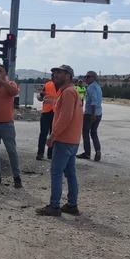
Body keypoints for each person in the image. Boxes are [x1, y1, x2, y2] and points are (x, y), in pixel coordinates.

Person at [36, 65, 83, 217]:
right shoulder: (69, 92)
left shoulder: (68, 92)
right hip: (72, 140)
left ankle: (54, 206)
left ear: (68, 76)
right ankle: (71, 205)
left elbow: (65, 117)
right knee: (70, 173)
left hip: (64, 140)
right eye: (54, 72)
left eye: (59, 72)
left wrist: (53, 135)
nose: (54, 75)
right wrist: (54, 100)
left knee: (56, 172)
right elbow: (64, 112)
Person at [78, 70, 103, 162]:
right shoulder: (98, 87)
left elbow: (93, 102)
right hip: (99, 113)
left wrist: (92, 114)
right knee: (93, 133)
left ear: (93, 77)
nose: (86, 78)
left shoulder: (91, 87)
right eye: (85, 76)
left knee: (85, 133)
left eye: (88, 77)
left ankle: (87, 153)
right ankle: (98, 150)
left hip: (90, 114)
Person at [36, 78, 57, 161]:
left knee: (53, 134)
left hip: (56, 112)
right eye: (53, 74)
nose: (54, 76)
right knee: (43, 134)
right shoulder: (47, 84)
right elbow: (41, 96)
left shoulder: (62, 86)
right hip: (46, 111)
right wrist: (40, 96)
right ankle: (40, 153)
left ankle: (50, 154)